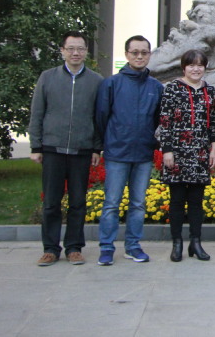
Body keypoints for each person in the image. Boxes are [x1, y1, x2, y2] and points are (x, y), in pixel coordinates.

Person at [29, 31, 103, 266]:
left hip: (82, 150)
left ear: (86, 52)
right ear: (62, 51)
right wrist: (36, 146)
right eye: (71, 48)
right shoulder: (47, 77)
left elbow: (99, 117)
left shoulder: (96, 81)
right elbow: (37, 113)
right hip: (53, 148)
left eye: (80, 48)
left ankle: (74, 247)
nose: (75, 53)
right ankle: (50, 249)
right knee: (51, 202)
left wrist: (96, 148)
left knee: (78, 202)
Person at [95, 35, 163, 266]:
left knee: (138, 204)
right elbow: (101, 117)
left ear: (149, 55)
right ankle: (106, 247)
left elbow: (157, 120)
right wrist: (107, 143)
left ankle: (133, 246)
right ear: (126, 55)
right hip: (117, 153)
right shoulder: (112, 84)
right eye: (135, 52)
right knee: (111, 204)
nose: (139, 56)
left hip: (143, 154)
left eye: (144, 52)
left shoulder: (156, 87)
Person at [158, 49, 215, 262]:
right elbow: (165, 121)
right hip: (176, 152)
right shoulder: (172, 88)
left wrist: (213, 150)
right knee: (176, 200)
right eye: (191, 65)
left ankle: (196, 242)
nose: (196, 69)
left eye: (200, 65)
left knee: (196, 201)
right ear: (184, 67)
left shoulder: (209, 91)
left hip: (200, 152)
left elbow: (214, 123)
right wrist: (167, 150)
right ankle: (177, 243)